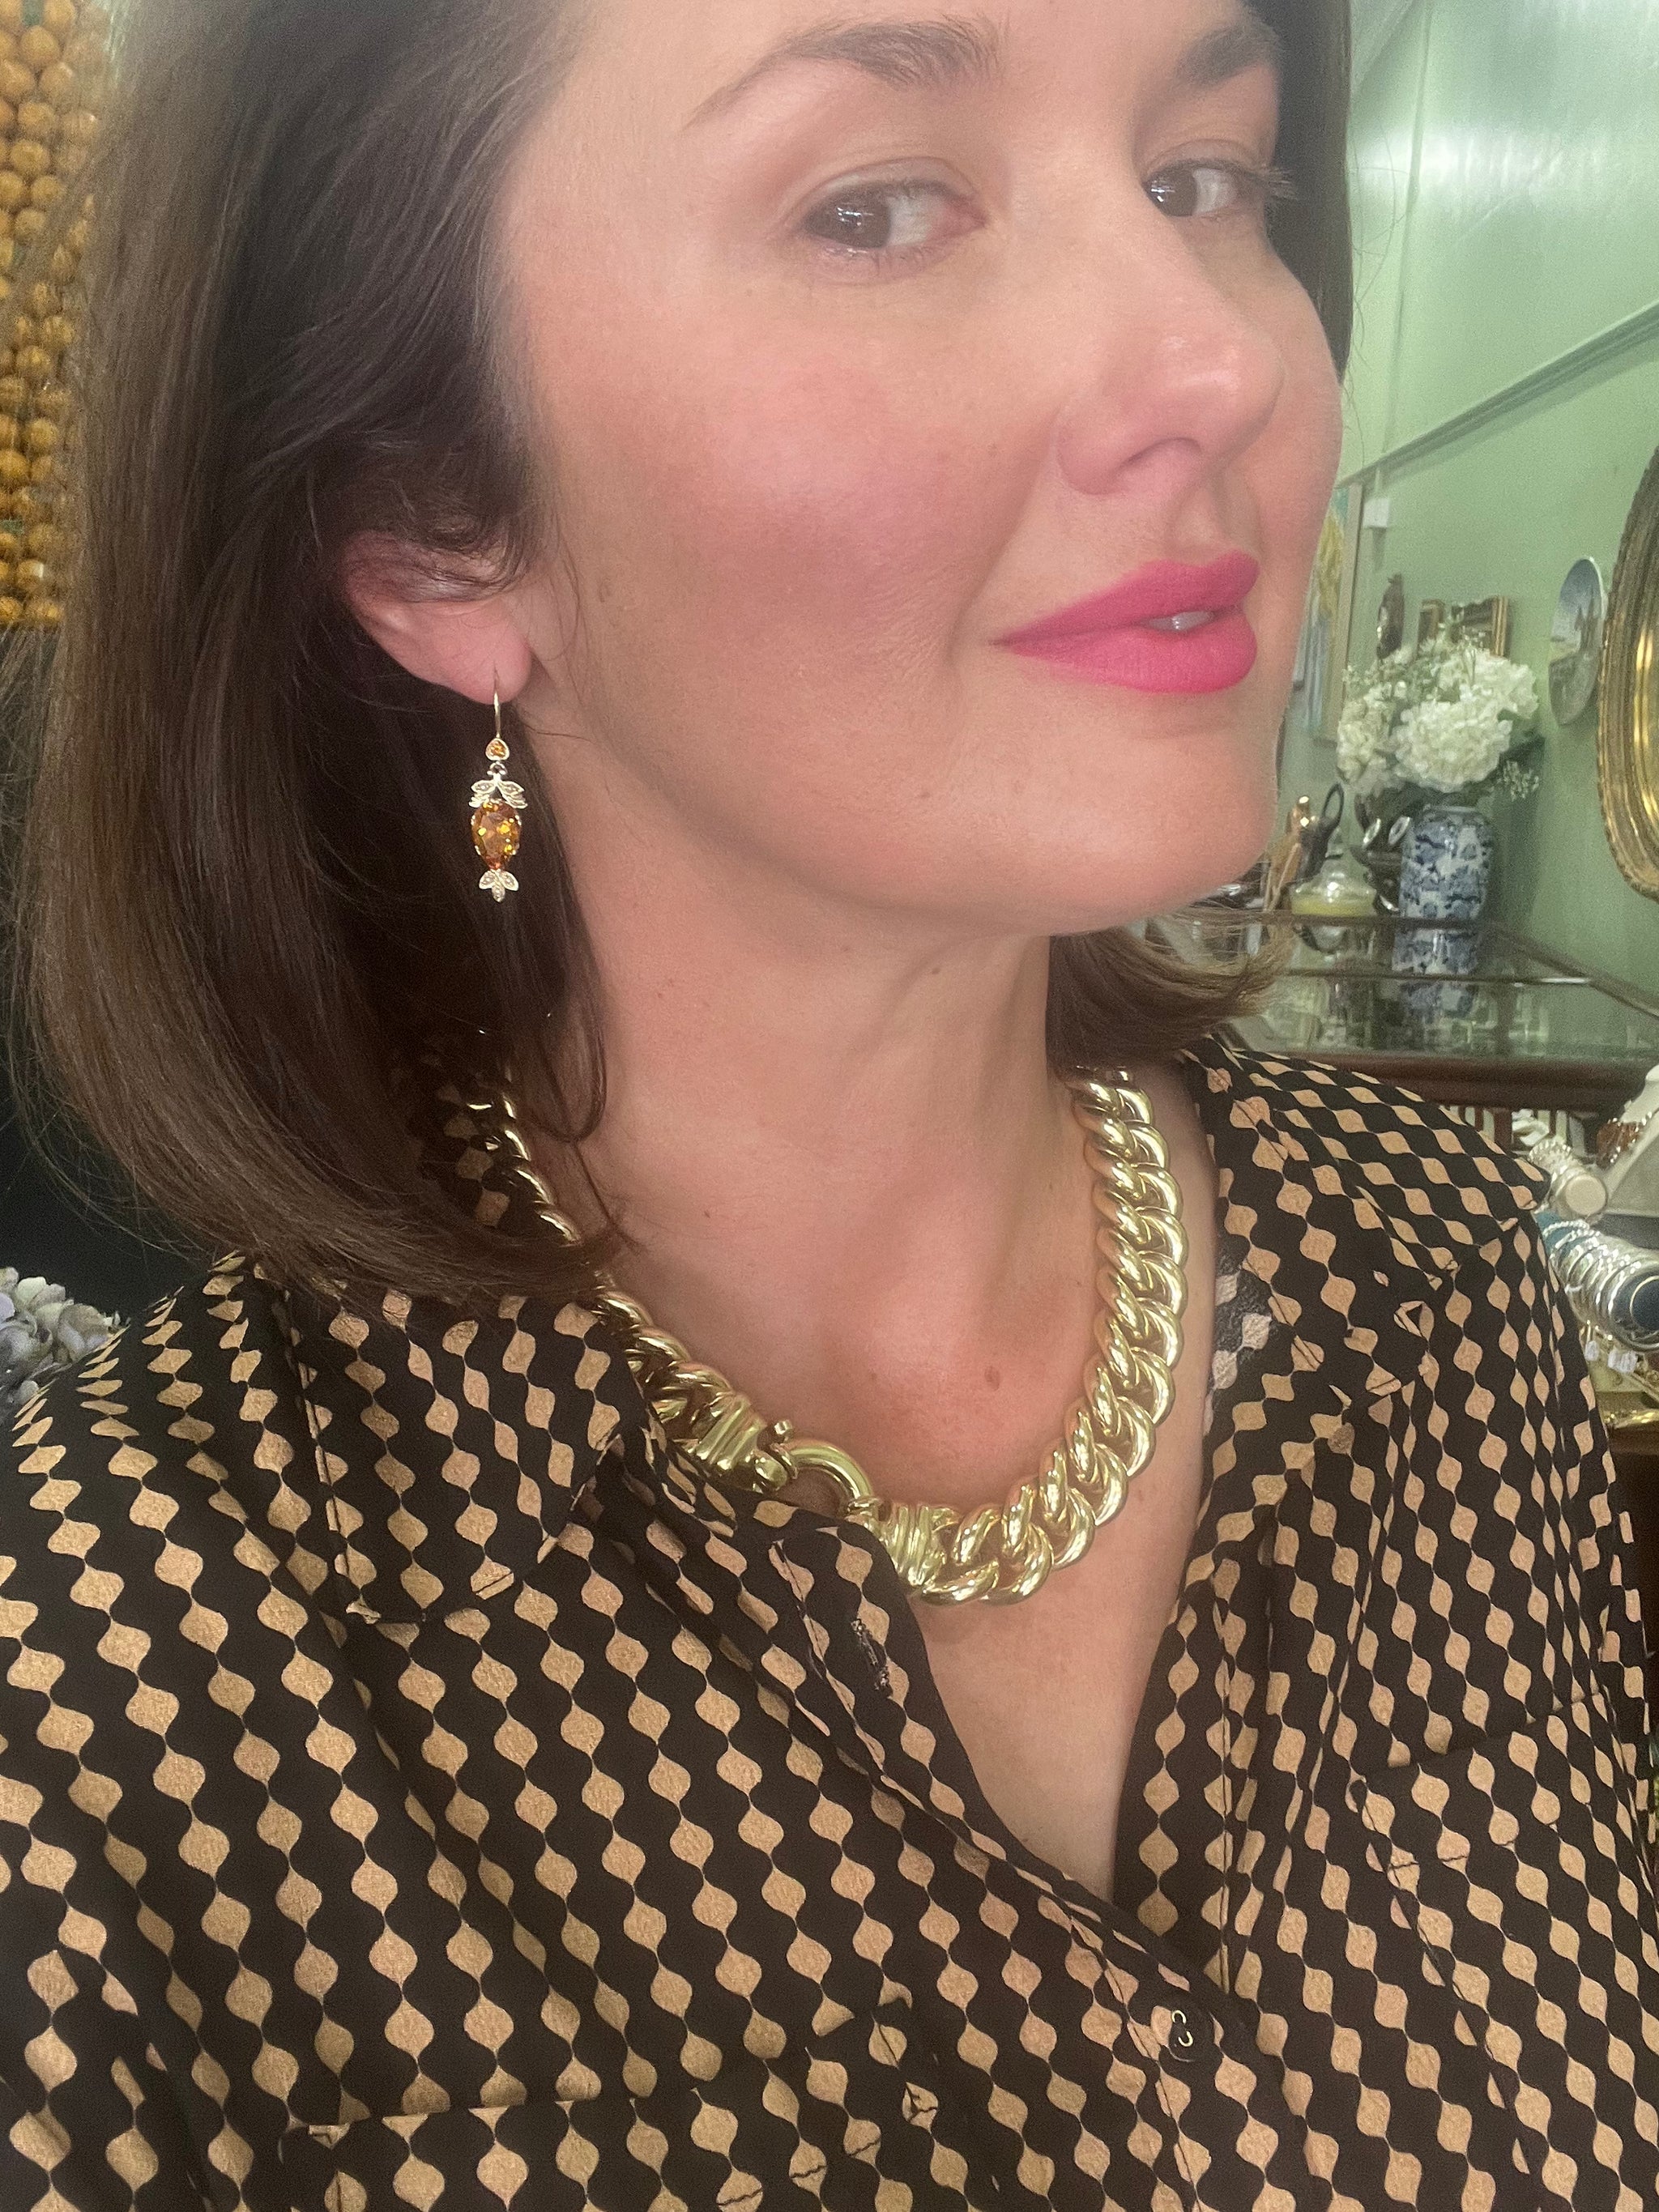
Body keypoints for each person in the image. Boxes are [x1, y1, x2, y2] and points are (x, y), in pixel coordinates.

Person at [4, 0, 1655, 2204]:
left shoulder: (1435, 1275)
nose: (1219, 361)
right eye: (877, 208)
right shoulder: (112, 1683)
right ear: (430, 526)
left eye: (1210, 178)